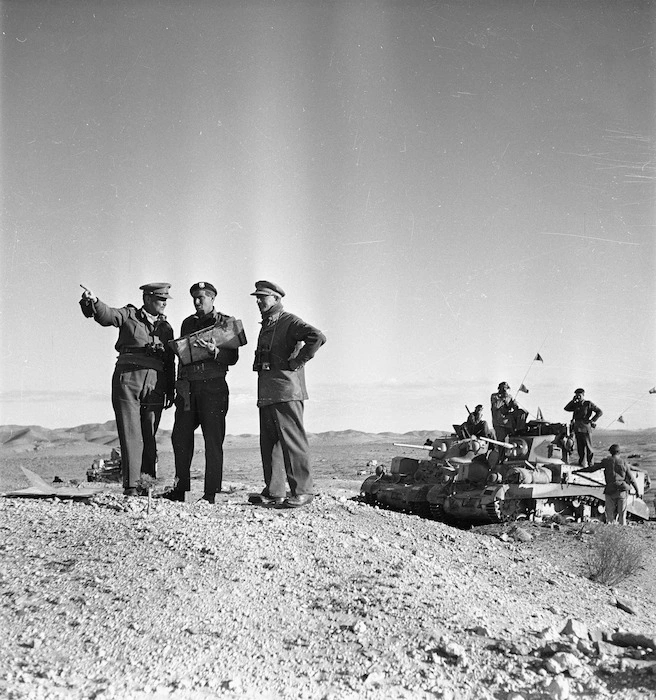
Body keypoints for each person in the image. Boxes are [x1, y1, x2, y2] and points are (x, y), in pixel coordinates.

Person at [79, 283, 175, 496]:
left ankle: (146, 485)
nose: (165, 303)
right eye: (161, 299)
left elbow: (170, 360)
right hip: (128, 380)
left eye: (166, 299)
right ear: (148, 299)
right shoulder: (129, 315)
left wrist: (171, 388)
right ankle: (132, 486)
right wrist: (94, 301)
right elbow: (108, 316)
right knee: (131, 432)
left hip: (155, 384)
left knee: (149, 433)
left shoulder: (166, 328)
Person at [248, 281, 326, 508]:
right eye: (258, 297)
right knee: (270, 444)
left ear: (276, 298)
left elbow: (317, 337)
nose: (258, 301)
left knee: (293, 443)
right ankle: (275, 492)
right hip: (268, 392)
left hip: (286, 391)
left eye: (263, 297)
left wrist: (297, 362)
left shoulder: (289, 321)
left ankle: (303, 491)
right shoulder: (267, 324)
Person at [164, 282, 239, 504]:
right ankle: (180, 489)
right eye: (195, 298)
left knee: (213, 440)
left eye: (202, 298)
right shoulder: (188, 323)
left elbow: (233, 358)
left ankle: (210, 493)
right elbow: (181, 354)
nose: (197, 302)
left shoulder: (225, 322)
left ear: (212, 299)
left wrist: (215, 352)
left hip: (213, 387)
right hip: (189, 388)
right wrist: (179, 384)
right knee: (180, 437)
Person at [601, 444, 642, 525]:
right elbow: (631, 478)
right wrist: (637, 491)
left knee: (609, 514)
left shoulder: (606, 461)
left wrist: (578, 471)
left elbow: (592, 468)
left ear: (610, 452)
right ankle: (622, 528)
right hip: (622, 490)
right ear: (619, 452)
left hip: (610, 490)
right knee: (622, 514)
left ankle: (611, 527)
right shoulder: (623, 462)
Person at [563, 388, 603, 467]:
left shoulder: (588, 403)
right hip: (577, 427)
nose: (578, 397)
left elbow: (599, 412)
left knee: (589, 447)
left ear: (583, 395)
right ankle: (581, 462)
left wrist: (592, 420)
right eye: (576, 395)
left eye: (579, 395)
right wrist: (573, 400)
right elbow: (566, 408)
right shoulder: (575, 404)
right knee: (580, 448)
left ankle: (590, 464)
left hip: (585, 427)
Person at [490, 382, 525, 462]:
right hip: (499, 422)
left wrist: (514, 404)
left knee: (522, 412)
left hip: (509, 422)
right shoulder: (494, 396)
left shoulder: (509, 397)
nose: (505, 390)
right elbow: (496, 406)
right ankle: (501, 459)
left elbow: (515, 408)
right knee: (501, 442)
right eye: (503, 388)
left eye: (506, 388)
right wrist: (503, 399)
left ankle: (520, 430)